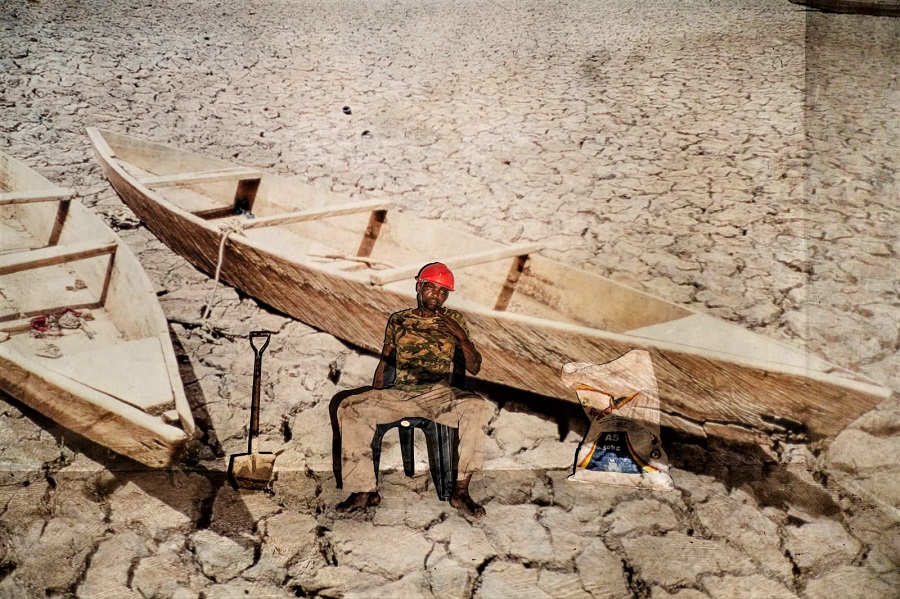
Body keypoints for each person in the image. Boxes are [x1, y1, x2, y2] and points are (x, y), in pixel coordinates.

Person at [336, 262, 493, 517]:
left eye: (443, 292)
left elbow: (474, 367)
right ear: (419, 286)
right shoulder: (399, 319)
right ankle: (363, 490)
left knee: (477, 406)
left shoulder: (455, 319)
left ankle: (461, 492)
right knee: (350, 407)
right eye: (431, 288)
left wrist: (460, 336)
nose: (437, 296)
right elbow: (385, 360)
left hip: (438, 394)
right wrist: (377, 393)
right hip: (400, 394)